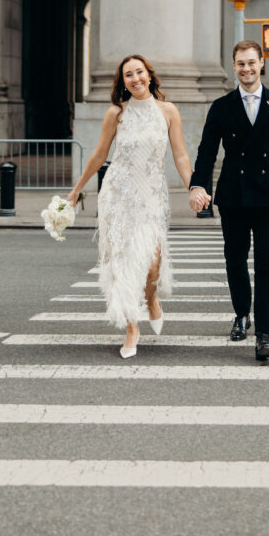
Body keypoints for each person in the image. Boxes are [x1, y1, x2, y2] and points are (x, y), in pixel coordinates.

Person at [189, 40, 269, 362]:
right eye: (240, 63)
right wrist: (197, 186)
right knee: (235, 259)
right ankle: (241, 313)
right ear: (234, 67)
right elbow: (206, 152)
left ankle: (264, 334)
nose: (246, 68)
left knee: (267, 265)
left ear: (261, 65)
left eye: (251, 62)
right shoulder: (221, 106)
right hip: (233, 196)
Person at [68, 55, 193, 359]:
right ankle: (132, 328)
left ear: (149, 75)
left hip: (151, 195)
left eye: (139, 72)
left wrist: (194, 187)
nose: (135, 79)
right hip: (118, 195)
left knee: (151, 264)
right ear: (122, 81)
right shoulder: (116, 113)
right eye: (128, 75)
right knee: (124, 265)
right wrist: (76, 190)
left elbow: (180, 156)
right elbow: (99, 156)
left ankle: (151, 299)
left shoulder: (168, 111)